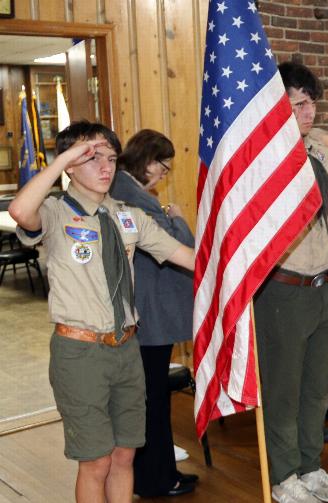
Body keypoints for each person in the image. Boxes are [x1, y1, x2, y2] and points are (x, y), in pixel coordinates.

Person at [9, 121, 195, 503]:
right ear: (70, 165)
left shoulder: (127, 214)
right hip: (81, 353)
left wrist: (239, 262)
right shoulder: (56, 212)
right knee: (95, 462)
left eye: (111, 158)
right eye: (91, 158)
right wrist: (61, 161)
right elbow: (19, 210)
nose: (105, 166)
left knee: (125, 455)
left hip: (127, 349)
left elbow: (188, 257)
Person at [256, 61, 328, 503]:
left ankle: (311, 467)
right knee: (284, 387)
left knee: (316, 387)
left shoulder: (322, 146)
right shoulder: (262, 155)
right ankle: (284, 478)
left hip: (325, 281)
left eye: (311, 101)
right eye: (296, 103)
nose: (307, 110)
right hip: (284, 287)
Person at [108, 129, 198, 497]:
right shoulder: (137, 199)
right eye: (163, 165)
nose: (165, 172)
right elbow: (181, 245)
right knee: (152, 402)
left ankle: (161, 473)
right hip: (150, 317)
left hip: (146, 315)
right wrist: (176, 217)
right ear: (147, 159)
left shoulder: (128, 192)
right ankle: (158, 478)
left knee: (151, 400)